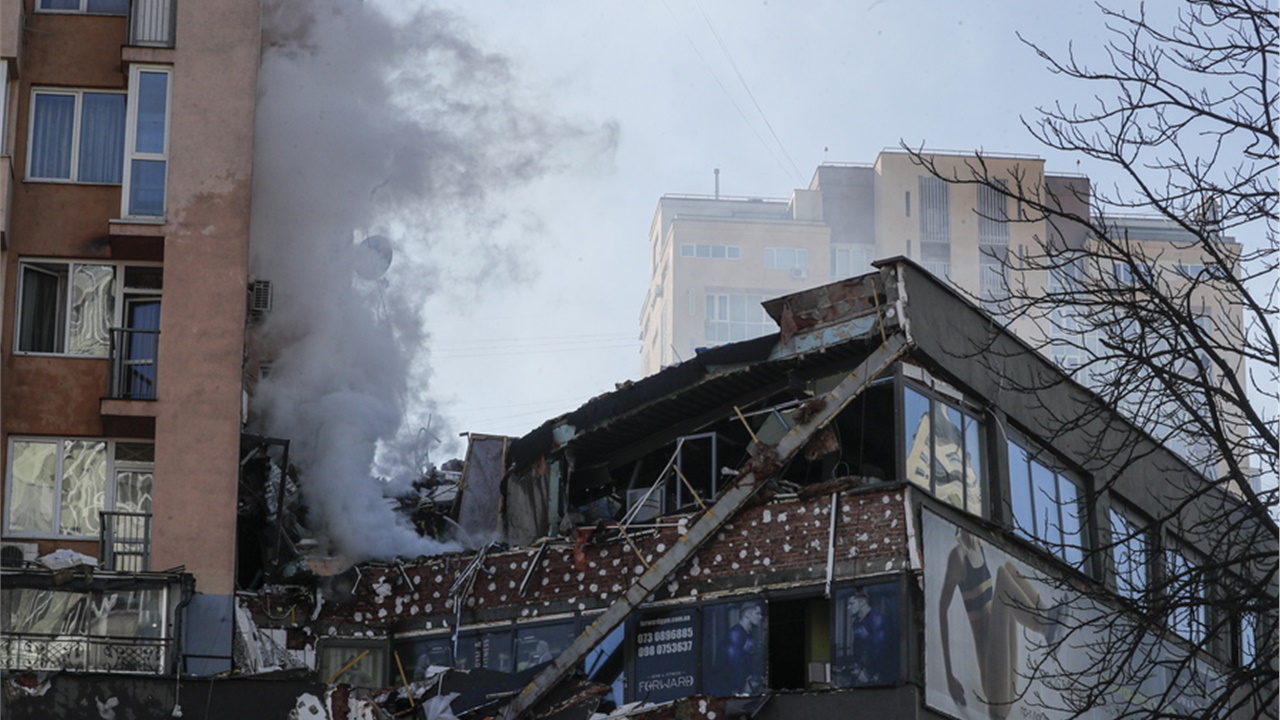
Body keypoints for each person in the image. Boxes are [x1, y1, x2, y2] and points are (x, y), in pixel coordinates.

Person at [938, 528, 1061, 720]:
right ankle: (1045, 626)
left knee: (1009, 568)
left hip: (1005, 677)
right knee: (1003, 576)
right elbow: (942, 609)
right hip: (992, 673)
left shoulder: (979, 545)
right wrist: (949, 677)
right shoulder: (958, 557)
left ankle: (1046, 616)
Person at [845, 588, 892, 684]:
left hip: (879, 673)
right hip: (863, 671)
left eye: (851, 604)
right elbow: (857, 647)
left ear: (862, 602)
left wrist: (871, 673)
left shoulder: (877, 620)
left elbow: (882, 649)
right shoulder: (856, 623)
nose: (848, 608)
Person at [723, 603, 765, 695]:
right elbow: (733, 664)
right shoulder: (735, 634)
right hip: (738, 689)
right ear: (747, 614)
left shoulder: (749, 634)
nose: (760, 617)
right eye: (757, 613)